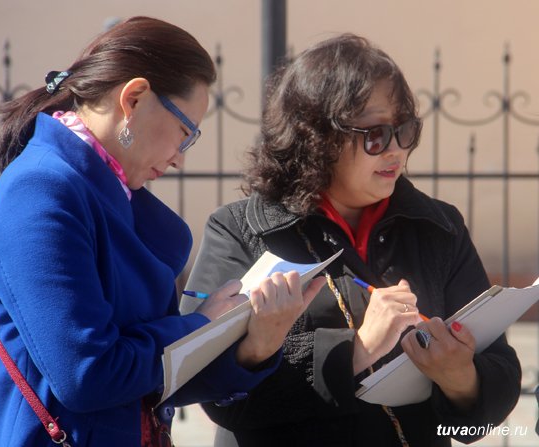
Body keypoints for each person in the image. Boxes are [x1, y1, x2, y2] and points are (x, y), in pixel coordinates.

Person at [0, 16, 325, 447]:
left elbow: (148, 380)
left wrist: (255, 344)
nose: (179, 158)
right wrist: (200, 325)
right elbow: (88, 375)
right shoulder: (41, 191)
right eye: (184, 133)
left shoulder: (101, 192)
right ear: (133, 99)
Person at [181, 33, 522, 446]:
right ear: (317, 138)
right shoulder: (240, 229)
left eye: (405, 130)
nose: (396, 150)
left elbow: (496, 387)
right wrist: (357, 350)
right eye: (376, 135)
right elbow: (211, 389)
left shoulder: (438, 227)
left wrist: (460, 377)